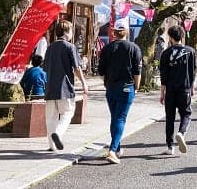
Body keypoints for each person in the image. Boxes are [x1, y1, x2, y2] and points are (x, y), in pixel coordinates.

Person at [97, 18, 142, 164]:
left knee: (115, 118)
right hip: (127, 87)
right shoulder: (133, 48)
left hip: (110, 87)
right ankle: (112, 150)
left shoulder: (107, 49)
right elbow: (137, 71)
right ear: (127, 31)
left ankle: (117, 148)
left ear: (114, 31)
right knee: (120, 118)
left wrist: (107, 81)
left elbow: (100, 71)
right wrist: (137, 86)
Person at [43, 20, 89, 152]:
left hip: (50, 87)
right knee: (67, 113)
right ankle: (58, 133)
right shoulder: (70, 47)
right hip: (65, 87)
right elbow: (76, 67)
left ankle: (52, 145)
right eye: (71, 31)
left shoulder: (50, 48)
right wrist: (84, 83)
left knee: (51, 117)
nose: (72, 34)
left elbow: (45, 67)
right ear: (67, 32)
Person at [159, 24, 197, 155]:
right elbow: (193, 72)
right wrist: (192, 88)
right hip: (184, 88)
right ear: (182, 36)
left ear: (170, 37)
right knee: (186, 114)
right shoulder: (191, 51)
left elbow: (163, 75)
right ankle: (181, 132)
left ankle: (170, 147)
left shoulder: (166, 53)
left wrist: (162, 92)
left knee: (169, 117)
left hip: (170, 89)